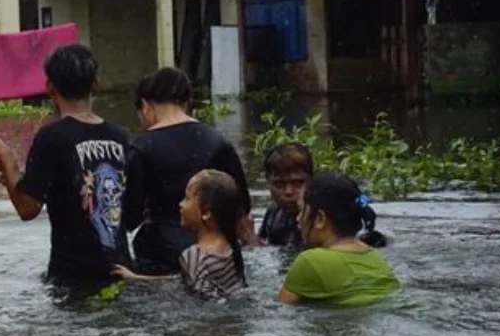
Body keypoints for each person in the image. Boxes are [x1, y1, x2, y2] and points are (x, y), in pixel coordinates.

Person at [0, 44, 133, 283]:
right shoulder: (120, 136)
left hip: (72, 276)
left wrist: (6, 157)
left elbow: (27, 208)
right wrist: (15, 176)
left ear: (49, 86)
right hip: (121, 270)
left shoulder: (51, 136)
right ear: (95, 83)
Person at [123, 67, 253, 274]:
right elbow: (242, 204)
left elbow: (130, 217)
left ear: (146, 106)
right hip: (218, 255)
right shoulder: (217, 140)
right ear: (186, 102)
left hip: (162, 252)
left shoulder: (141, 146)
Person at [116, 169, 247, 301]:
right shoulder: (231, 247)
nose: (180, 204)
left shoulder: (194, 255)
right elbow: (185, 280)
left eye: (187, 198)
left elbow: (206, 303)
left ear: (206, 212)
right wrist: (137, 279)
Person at [278, 173, 398, 306]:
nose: (298, 219)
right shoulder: (376, 257)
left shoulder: (310, 261)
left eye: (302, 211)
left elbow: (280, 308)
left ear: (320, 219)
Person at [259, 143, 313, 247]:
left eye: (297, 183)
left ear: (311, 181)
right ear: (268, 184)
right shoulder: (273, 211)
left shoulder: (319, 220)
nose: (288, 192)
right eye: (279, 185)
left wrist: (251, 240)